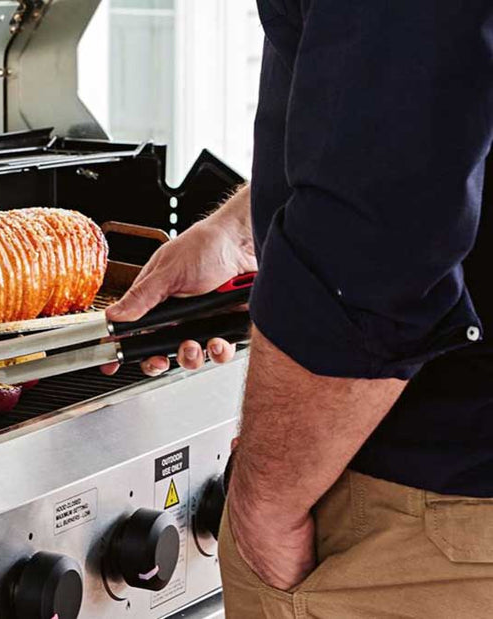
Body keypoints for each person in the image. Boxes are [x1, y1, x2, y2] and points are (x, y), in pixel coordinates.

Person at [104, 2, 493, 616]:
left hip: (424, 517)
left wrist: (263, 506)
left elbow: (380, 232)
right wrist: (243, 230)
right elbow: (413, 117)